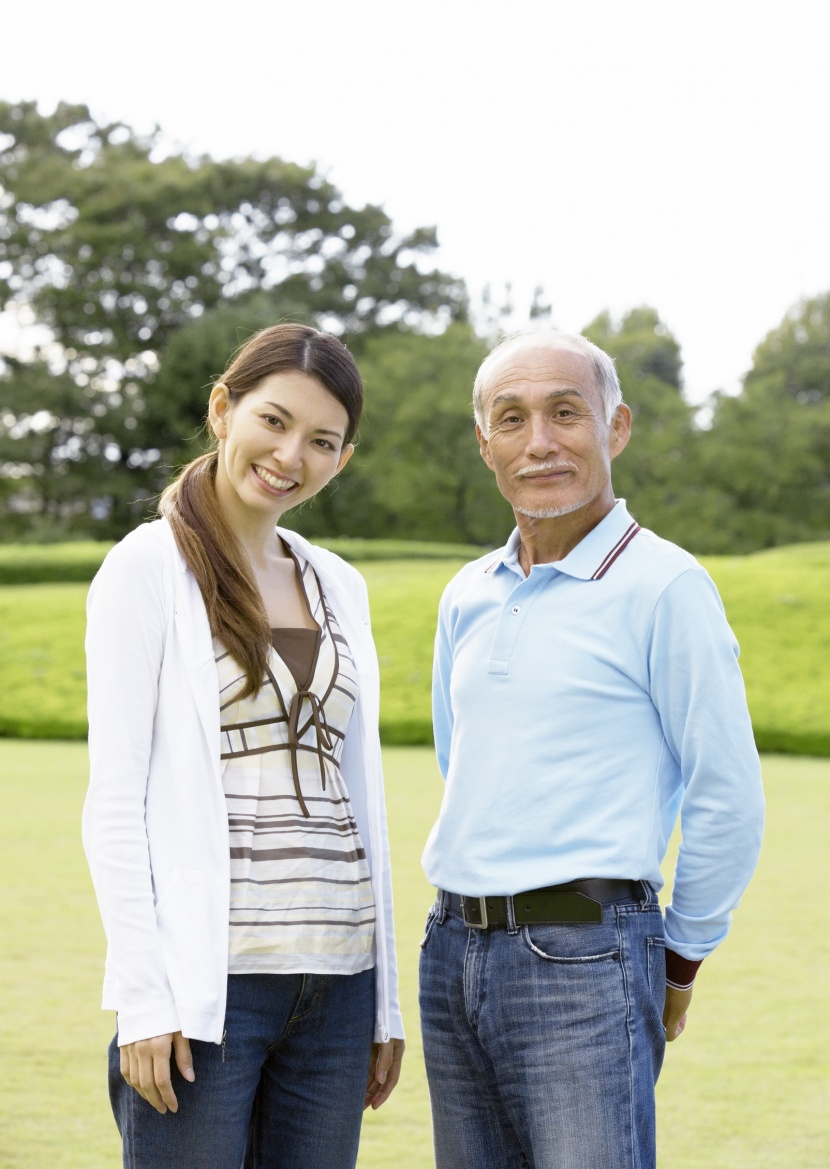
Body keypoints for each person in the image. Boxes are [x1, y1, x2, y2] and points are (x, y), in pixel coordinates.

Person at [419, 329, 764, 1169]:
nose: (539, 441)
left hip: (587, 954)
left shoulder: (667, 585)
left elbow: (727, 794)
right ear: (485, 442)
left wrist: (678, 959)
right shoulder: (467, 593)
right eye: (512, 418)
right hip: (452, 952)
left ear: (615, 428)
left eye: (565, 412)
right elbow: (459, 761)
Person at [83, 323, 405, 1169]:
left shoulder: (340, 582)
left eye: (322, 440)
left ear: (343, 455)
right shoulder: (147, 568)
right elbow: (113, 801)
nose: (291, 453)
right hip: (205, 989)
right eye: (274, 419)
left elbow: (358, 793)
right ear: (223, 409)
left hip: (339, 983)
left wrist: (386, 1009)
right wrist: (144, 996)